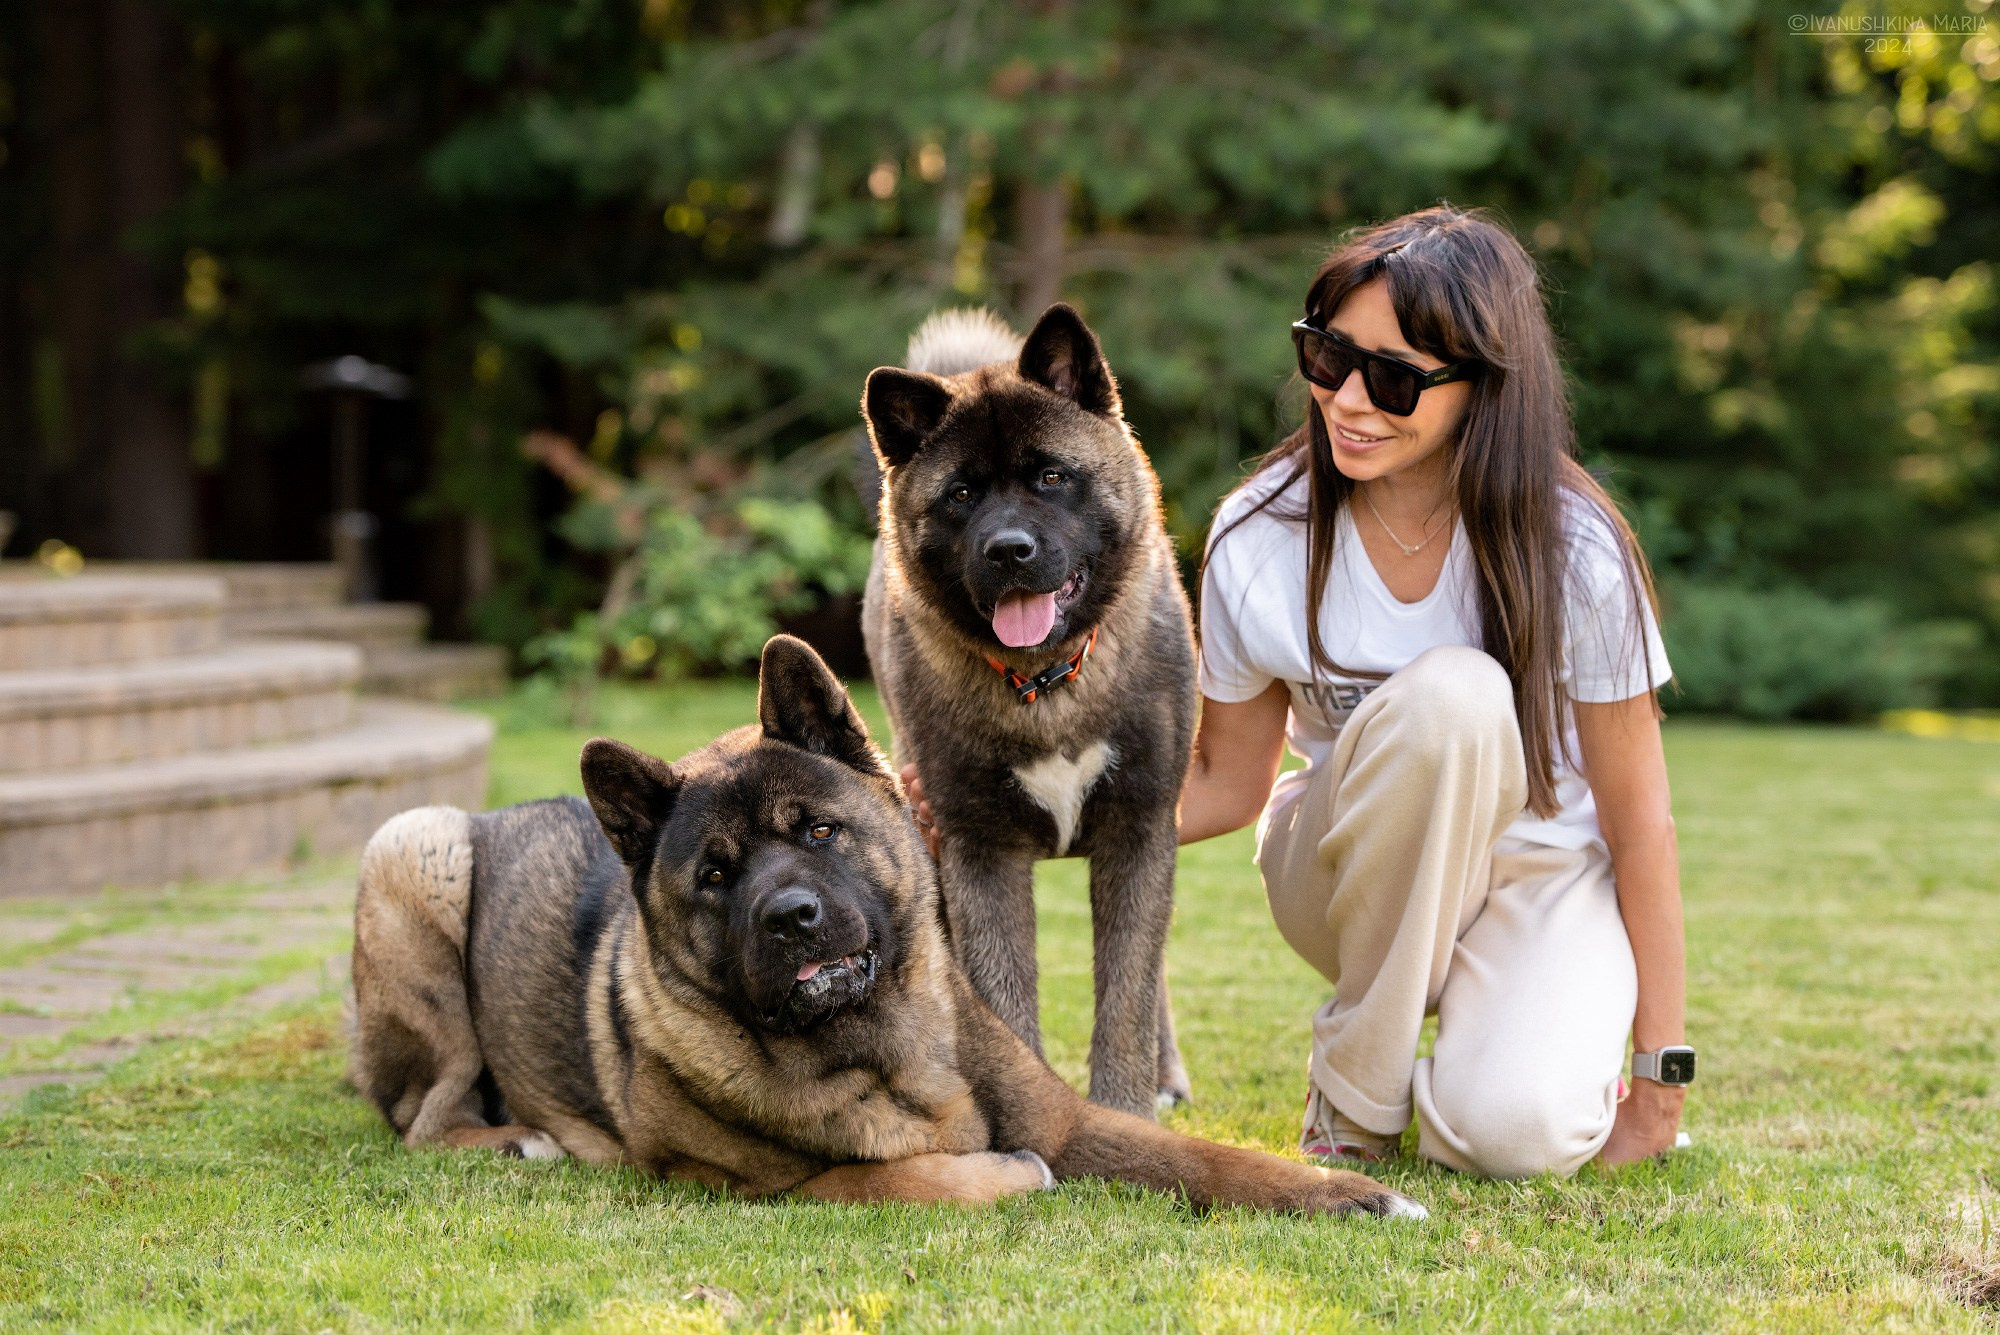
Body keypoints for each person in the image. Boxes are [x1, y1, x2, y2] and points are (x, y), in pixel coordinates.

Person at [906, 203, 1689, 1178]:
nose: (1349, 399)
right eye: (1327, 358)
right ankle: (1353, 1097)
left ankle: (1491, 1055)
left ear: (1483, 386)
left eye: (1394, 378)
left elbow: (1639, 825)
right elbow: (1228, 787)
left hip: (1536, 875)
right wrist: (1004, 813)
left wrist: (1659, 1082)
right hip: (1344, 871)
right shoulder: (1259, 530)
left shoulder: (1573, 546)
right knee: (1450, 702)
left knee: (1509, 1138)